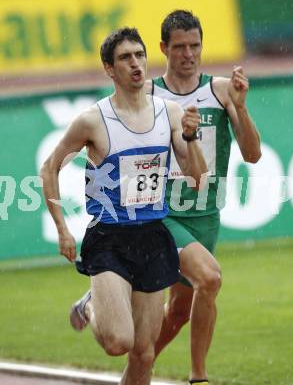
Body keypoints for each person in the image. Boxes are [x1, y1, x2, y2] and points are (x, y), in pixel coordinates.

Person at [40, 27, 207, 385]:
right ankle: (90, 304)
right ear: (109, 69)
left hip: (152, 236)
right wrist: (62, 228)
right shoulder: (93, 120)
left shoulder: (171, 113)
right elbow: (50, 167)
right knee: (119, 342)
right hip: (109, 237)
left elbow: (197, 178)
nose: (135, 64)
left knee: (145, 353)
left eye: (139, 55)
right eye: (125, 58)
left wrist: (191, 138)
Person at [146, 10, 262, 385]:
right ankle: (199, 377)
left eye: (195, 46)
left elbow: (253, 154)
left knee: (178, 311)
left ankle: (140, 366)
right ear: (163, 48)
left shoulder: (223, 90)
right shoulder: (148, 95)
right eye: (179, 47)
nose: (188, 54)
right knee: (210, 279)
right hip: (164, 211)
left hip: (206, 212)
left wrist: (240, 108)